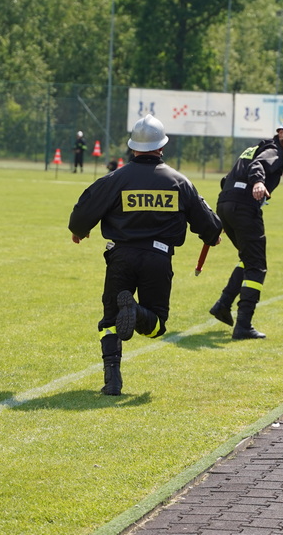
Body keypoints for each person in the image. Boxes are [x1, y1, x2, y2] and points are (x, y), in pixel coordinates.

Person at [68, 114, 222, 396]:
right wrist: (212, 235)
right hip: (158, 259)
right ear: (162, 146)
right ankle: (136, 311)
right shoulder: (179, 181)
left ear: (133, 147)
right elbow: (208, 222)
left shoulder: (116, 178)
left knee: (109, 321)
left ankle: (112, 382)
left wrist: (80, 230)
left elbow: (83, 209)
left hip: (121, 257)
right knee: (157, 326)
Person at [209, 113, 283, 340]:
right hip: (244, 208)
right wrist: (259, 182)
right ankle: (243, 325)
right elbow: (258, 166)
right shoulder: (273, 151)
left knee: (248, 258)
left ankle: (223, 304)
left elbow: (227, 179)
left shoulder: (255, 148)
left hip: (226, 204)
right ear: (281, 133)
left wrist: (227, 211)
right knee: (257, 266)